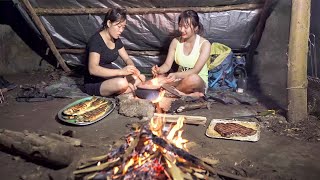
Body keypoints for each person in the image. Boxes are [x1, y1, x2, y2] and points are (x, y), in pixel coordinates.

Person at [84, 7, 145, 96]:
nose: (121, 30)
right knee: (121, 83)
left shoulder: (115, 39)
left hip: (111, 77)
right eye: (118, 26)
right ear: (109, 23)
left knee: (141, 77)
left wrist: (132, 68)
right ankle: (129, 88)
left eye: (123, 27)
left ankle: (127, 89)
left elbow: (127, 58)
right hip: (95, 83)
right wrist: (121, 72)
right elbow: (93, 69)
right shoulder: (96, 41)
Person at [152, 10, 211, 95]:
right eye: (180, 26)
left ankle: (170, 93)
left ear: (195, 28)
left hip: (197, 83)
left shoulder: (205, 45)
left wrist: (176, 75)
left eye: (186, 27)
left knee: (193, 79)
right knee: (159, 78)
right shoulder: (175, 42)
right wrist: (159, 70)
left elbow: (195, 71)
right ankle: (185, 94)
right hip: (179, 80)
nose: (182, 30)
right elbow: (167, 65)